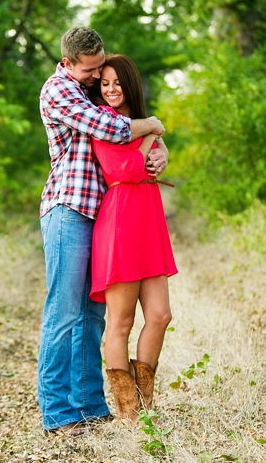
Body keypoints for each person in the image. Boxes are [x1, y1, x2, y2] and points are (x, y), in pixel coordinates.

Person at [38, 27, 169, 435]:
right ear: (68, 63)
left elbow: (124, 125)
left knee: (92, 316)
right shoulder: (59, 90)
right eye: (91, 70)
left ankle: (90, 406)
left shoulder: (88, 89)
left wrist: (160, 145)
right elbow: (111, 128)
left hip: (101, 214)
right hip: (68, 209)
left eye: (101, 68)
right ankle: (58, 413)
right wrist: (153, 126)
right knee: (64, 313)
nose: (97, 76)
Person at [88, 54, 178, 425]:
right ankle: (130, 415)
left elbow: (154, 163)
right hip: (121, 221)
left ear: (130, 85)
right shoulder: (102, 122)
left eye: (117, 83)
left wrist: (161, 150)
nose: (110, 89)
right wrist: (151, 136)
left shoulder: (140, 122)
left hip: (148, 221)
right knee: (120, 323)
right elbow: (123, 169)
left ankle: (146, 404)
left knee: (160, 315)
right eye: (104, 83)